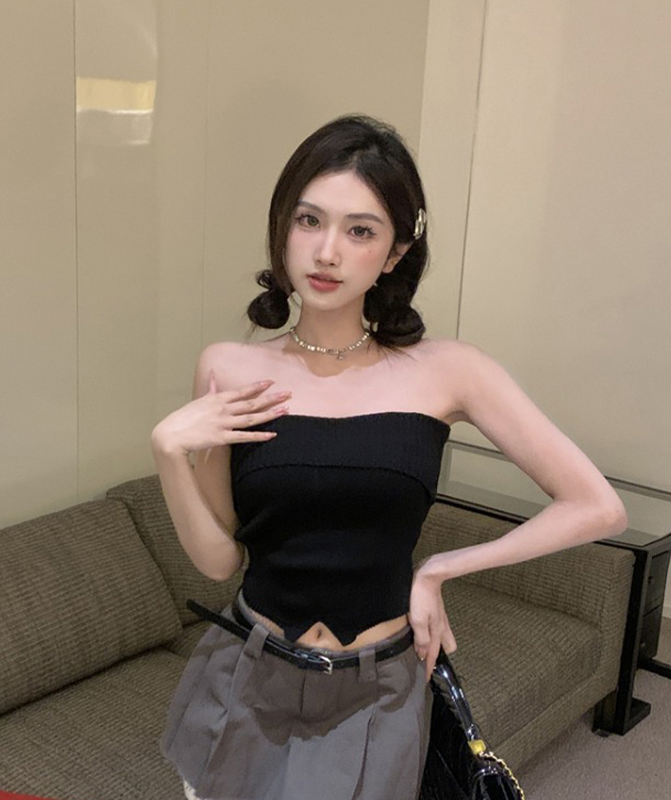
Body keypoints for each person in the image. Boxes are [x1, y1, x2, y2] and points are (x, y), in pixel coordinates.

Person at [149, 113, 627, 800]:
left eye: (360, 231)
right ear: (283, 226)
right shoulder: (228, 367)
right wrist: (169, 453)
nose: (327, 252)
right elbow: (221, 560)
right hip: (249, 671)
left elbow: (596, 505)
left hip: (378, 688)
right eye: (309, 221)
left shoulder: (449, 370)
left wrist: (440, 568)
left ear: (396, 252)